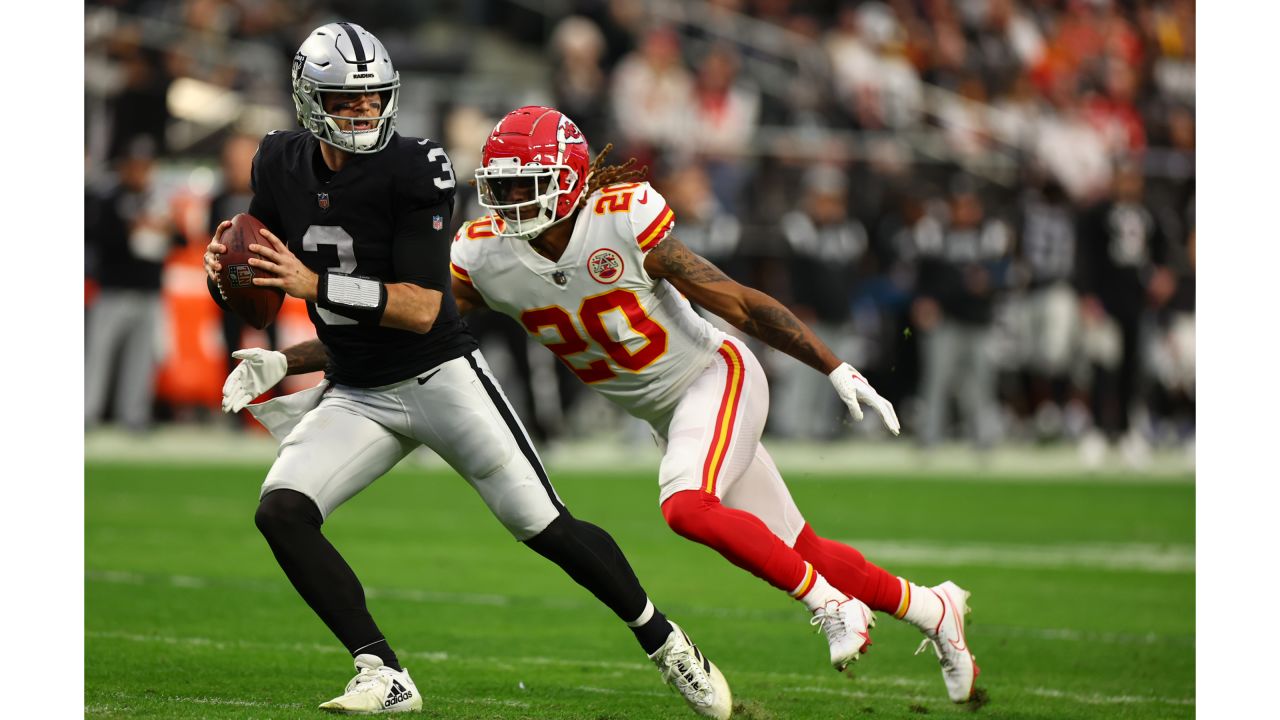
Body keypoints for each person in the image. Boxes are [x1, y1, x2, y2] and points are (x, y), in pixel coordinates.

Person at [201, 25, 730, 719]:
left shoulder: (415, 167)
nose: (361, 114)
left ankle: (667, 643)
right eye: (345, 101)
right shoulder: (277, 159)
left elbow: (422, 309)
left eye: (372, 100)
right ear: (307, 99)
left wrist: (311, 284)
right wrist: (232, 270)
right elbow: (265, 259)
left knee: (543, 525)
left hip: (437, 375)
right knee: (283, 511)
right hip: (358, 390)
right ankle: (382, 671)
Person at [449, 105, 980, 703]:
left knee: (685, 505)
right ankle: (936, 611)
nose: (511, 198)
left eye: (527, 182)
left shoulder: (621, 220)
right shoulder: (481, 257)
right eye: (501, 184)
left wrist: (832, 365)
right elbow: (421, 325)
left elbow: (737, 302)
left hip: (713, 376)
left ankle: (832, 605)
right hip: (667, 414)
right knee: (802, 549)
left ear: (568, 178)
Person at [85, 135, 178, 432]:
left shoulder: (158, 199)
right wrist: (131, 230)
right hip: (113, 290)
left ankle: (134, 415)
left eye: (145, 166)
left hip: (148, 291)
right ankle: (87, 412)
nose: (140, 172)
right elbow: (95, 237)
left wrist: (164, 229)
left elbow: (180, 239)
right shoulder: (106, 198)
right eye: (135, 166)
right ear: (124, 167)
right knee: (98, 355)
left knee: (140, 359)